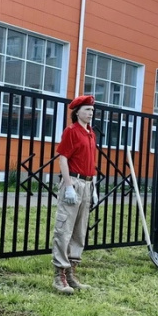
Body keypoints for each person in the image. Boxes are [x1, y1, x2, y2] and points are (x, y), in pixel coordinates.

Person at [51, 95, 97, 294]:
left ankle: (71, 273)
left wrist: (93, 187)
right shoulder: (71, 131)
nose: (90, 113)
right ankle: (59, 276)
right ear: (77, 112)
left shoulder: (90, 133)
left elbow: (91, 162)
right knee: (65, 229)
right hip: (74, 183)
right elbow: (63, 159)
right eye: (87, 110)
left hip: (87, 184)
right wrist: (68, 186)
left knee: (79, 230)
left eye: (92, 110)